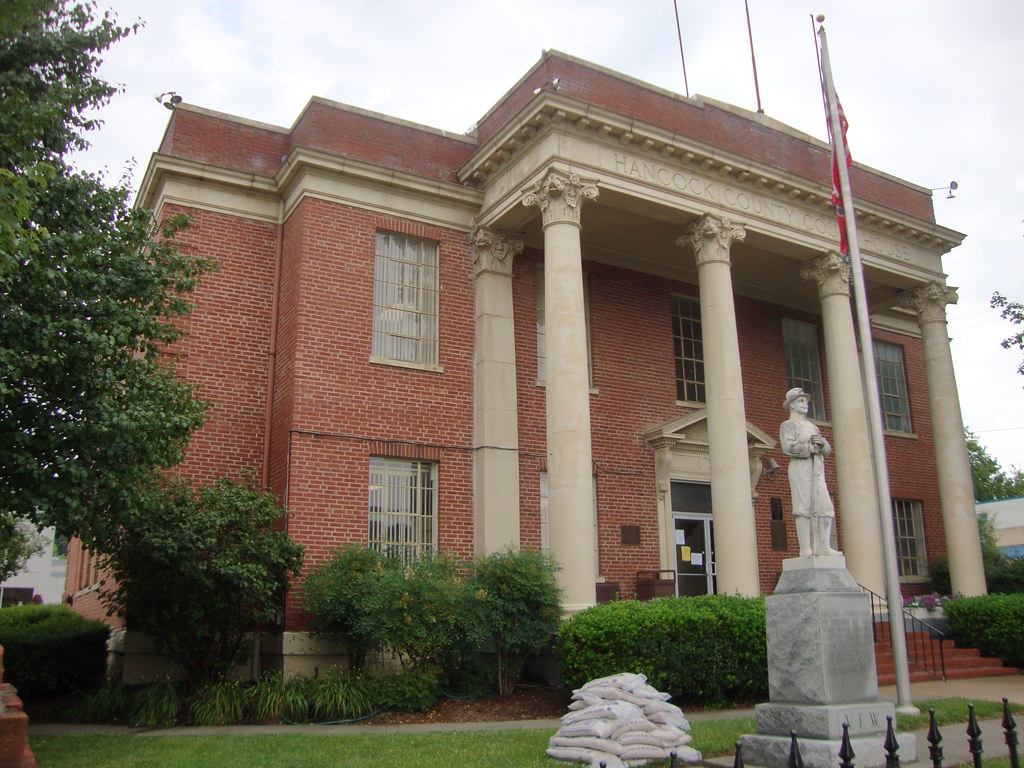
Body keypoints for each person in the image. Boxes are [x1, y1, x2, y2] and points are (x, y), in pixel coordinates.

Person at [779, 387, 840, 557]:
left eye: (806, 401)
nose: (805, 404)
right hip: (800, 468)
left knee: (825, 507)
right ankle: (805, 548)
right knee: (803, 507)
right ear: (791, 405)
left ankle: (824, 546)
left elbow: (826, 450)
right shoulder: (788, 425)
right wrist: (808, 448)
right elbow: (788, 447)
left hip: (817, 468)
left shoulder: (813, 426)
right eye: (800, 401)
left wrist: (822, 444)